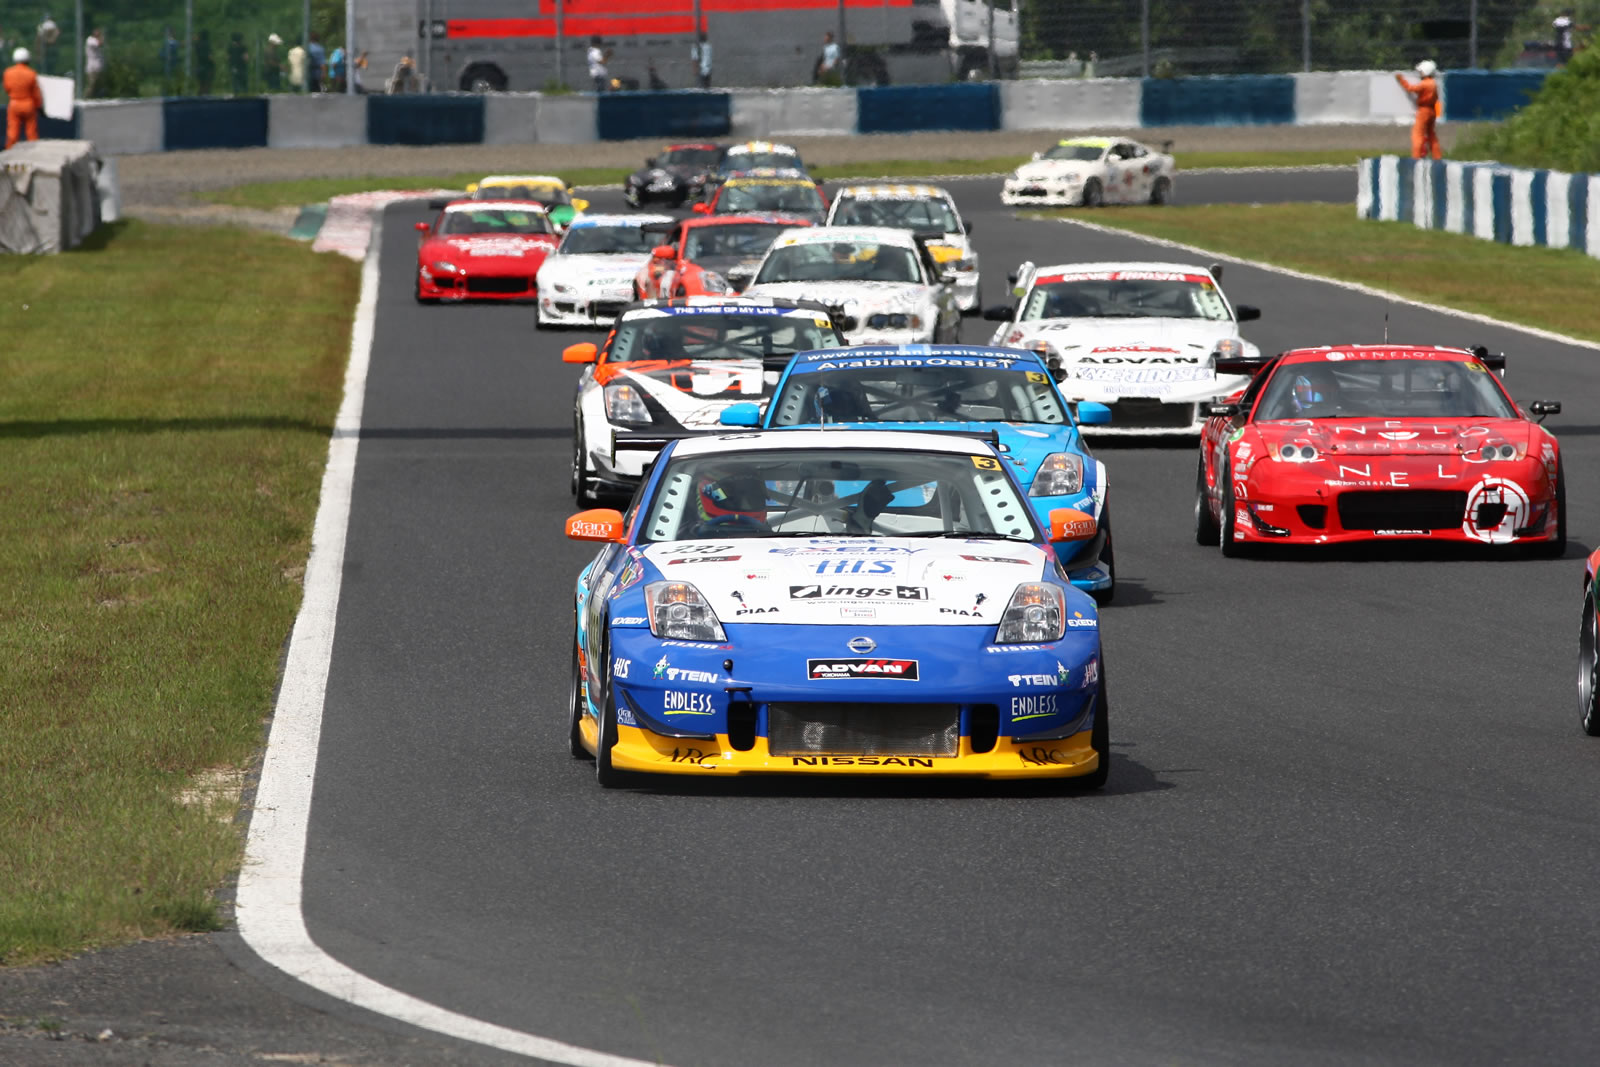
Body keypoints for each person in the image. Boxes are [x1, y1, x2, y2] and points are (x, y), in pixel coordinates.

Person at [1395, 59, 1441, 160]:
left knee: (1418, 134)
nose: (1419, 74)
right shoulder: (1434, 84)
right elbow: (1436, 97)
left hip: (1423, 111)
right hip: (1432, 110)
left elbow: (1410, 88)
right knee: (1431, 135)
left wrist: (1401, 80)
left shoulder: (1424, 84)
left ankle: (1416, 157)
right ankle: (1437, 157)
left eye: (1421, 72)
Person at [4, 46, 42, 148]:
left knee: (12, 132)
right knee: (31, 132)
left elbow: (7, 88)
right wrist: (38, 106)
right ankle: (33, 152)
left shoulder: (8, 73)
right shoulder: (31, 73)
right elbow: (35, 93)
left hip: (14, 103)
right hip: (28, 104)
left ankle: (9, 152)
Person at [83, 26, 103, 97]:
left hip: (98, 65)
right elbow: (99, 43)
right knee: (91, 84)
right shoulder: (90, 40)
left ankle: (95, 96)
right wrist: (101, 36)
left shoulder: (94, 40)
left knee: (98, 84)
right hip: (92, 66)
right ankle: (86, 97)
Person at [195, 30, 215, 95]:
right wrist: (213, 62)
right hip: (208, 66)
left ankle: (199, 97)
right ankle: (206, 97)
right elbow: (210, 56)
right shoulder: (207, 44)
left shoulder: (197, 44)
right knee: (207, 84)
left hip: (199, 65)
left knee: (201, 84)